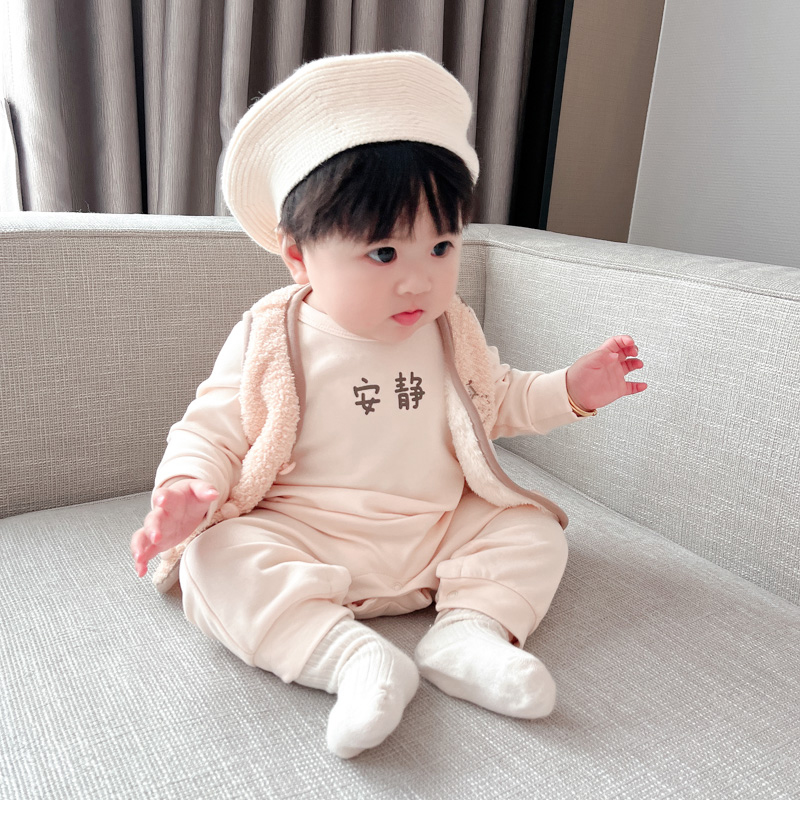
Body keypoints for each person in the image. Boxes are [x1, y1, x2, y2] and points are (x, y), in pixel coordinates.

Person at [130, 51, 647, 759]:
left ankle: (469, 635)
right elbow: (211, 428)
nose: (418, 282)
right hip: (306, 536)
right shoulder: (274, 335)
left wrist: (572, 390)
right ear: (297, 256)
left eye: (441, 246)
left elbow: (496, 400)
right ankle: (354, 662)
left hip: (436, 531)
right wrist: (188, 488)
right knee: (214, 561)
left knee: (534, 531)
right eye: (382, 254)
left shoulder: (450, 328)